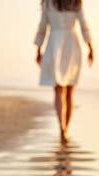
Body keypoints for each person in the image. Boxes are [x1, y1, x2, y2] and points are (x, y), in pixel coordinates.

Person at [34, 0, 94, 143]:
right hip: (71, 43)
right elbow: (83, 25)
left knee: (59, 89)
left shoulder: (48, 3)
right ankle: (65, 128)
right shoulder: (75, 2)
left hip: (55, 42)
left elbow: (42, 26)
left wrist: (38, 48)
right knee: (69, 90)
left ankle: (62, 127)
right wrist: (90, 47)